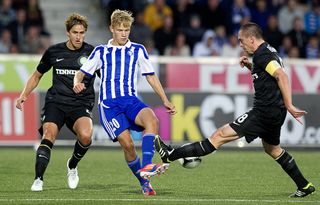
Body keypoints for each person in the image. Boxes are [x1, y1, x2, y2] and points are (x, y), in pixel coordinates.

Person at [155, 22, 315, 198]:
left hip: (264, 111)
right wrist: (250, 66)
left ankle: (170, 154)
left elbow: (281, 75)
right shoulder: (268, 51)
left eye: (241, 40)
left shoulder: (262, 54)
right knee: (273, 149)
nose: (240, 44)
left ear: (251, 39)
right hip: (275, 111)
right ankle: (304, 185)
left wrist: (290, 104)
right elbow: (268, 74)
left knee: (218, 136)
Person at [73, 9, 176, 196]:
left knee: (152, 119)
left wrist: (165, 100)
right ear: (111, 28)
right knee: (128, 145)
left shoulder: (138, 50)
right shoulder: (101, 51)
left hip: (130, 100)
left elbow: (151, 77)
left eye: (126, 30)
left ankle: (146, 166)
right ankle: (144, 183)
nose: (123, 33)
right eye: (120, 29)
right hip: (109, 106)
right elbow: (81, 72)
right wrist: (76, 82)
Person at [16, 13, 97, 191]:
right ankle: (38, 179)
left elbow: (105, 78)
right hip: (56, 102)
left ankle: (72, 165)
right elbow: (37, 75)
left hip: (80, 103)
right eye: (75, 32)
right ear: (68, 32)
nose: (79, 36)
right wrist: (24, 95)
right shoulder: (54, 51)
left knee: (85, 136)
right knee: (49, 135)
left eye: (82, 33)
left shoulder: (92, 53)